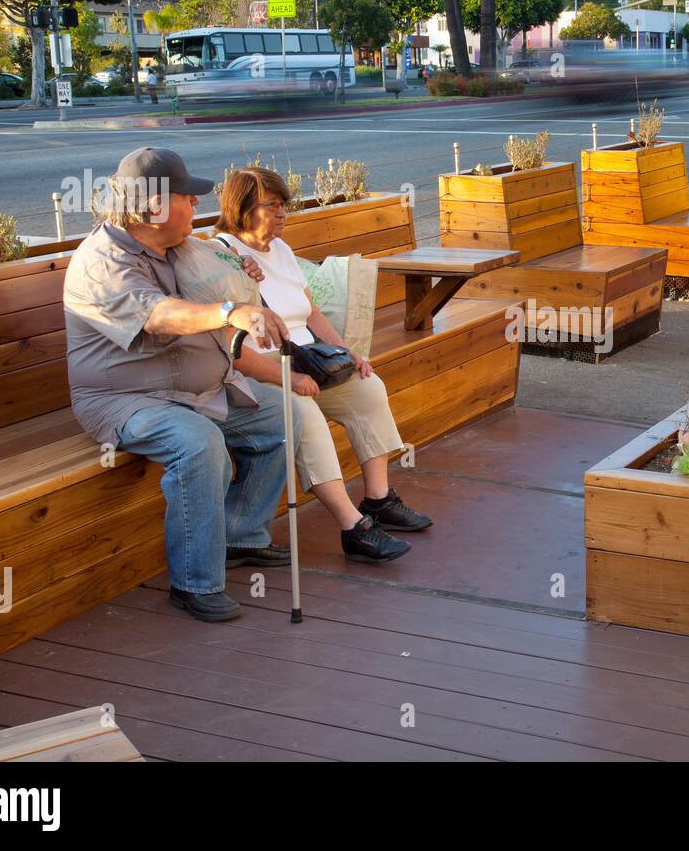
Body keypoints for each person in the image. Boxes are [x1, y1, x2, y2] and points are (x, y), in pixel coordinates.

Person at [63, 147, 298, 623]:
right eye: (187, 197)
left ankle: (240, 534)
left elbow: (219, 276)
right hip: (126, 400)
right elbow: (159, 316)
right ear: (154, 207)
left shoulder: (179, 246)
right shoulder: (102, 263)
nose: (196, 204)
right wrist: (230, 311)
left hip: (201, 390)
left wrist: (243, 275)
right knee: (198, 445)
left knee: (281, 417)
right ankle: (194, 583)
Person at [215, 167, 431, 563]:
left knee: (368, 388)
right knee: (305, 416)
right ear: (242, 208)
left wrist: (347, 351)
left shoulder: (279, 249)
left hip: (305, 360)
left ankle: (378, 499)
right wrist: (291, 379)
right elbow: (234, 348)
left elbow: (310, 312)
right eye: (272, 206)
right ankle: (353, 527)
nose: (282, 214)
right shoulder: (225, 255)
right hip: (260, 370)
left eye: (285, 205)